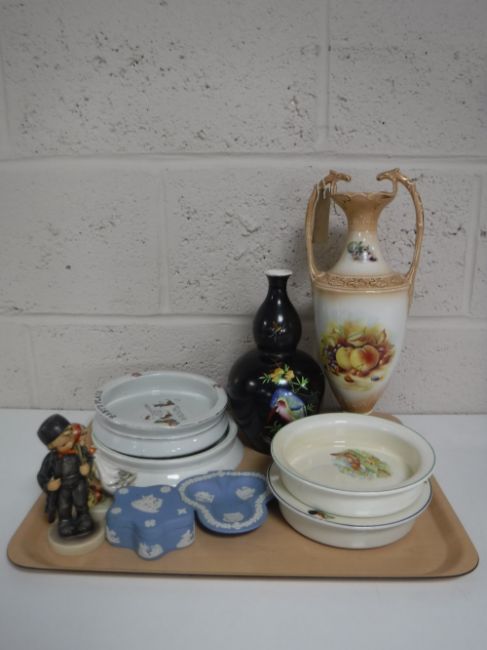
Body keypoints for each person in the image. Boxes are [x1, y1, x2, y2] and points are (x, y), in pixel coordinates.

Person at [37, 414, 95, 538]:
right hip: (62, 486)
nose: (69, 445)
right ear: (52, 447)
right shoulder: (51, 459)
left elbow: (90, 458)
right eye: (63, 445)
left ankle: (83, 517)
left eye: (70, 440)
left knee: (81, 502)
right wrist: (48, 485)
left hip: (79, 482)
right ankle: (65, 522)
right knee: (63, 506)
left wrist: (87, 467)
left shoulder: (80, 450)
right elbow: (42, 475)